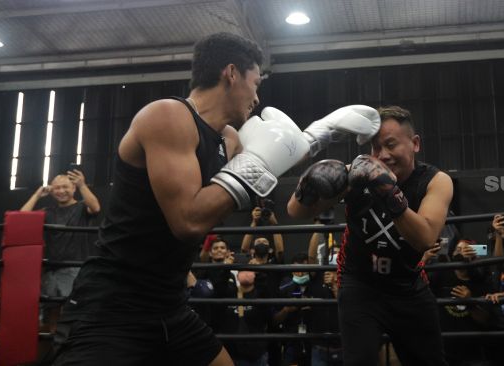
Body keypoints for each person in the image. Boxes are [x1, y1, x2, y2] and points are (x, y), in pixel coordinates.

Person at [51, 31, 380, 365]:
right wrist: (259, 163)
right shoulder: (167, 116)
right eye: (255, 82)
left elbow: (280, 156)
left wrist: (323, 130)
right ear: (232, 73)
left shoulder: (228, 138)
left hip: (170, 304)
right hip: (114, 307)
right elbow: (188, 222)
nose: (256, 96)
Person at [288, 105, 453, 365]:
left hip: (408, 286)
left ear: (415, 143)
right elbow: (296, 211)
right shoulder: (357, 173)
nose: (383, 155)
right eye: (376, 147)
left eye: (391, 145)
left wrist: (387, 190)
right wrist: (308, 184)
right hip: (359, 286)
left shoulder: (435, 181)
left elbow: (424, 239)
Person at [20, 170, 101, 333]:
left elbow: (96, 207)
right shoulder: (48, 211)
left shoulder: (80, 208)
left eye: (65, 187)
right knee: (53, 313)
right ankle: (55, 353)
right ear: (51, 190)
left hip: (75, 269)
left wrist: (82, 185)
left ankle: (71, 351)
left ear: (73, 189)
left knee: (72, 313)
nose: (61, 191)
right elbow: (21, 218)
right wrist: (37, 194)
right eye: (56, 188)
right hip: (52, 269)